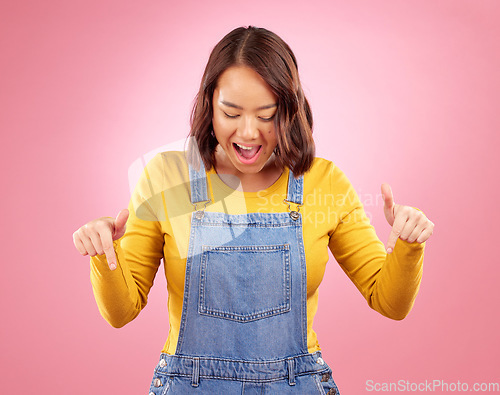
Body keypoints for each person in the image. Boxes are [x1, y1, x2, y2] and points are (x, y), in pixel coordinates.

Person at [73, 26, 434, 394]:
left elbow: (389, 302)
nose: (248, 134)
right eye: (231, 113)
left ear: (291, 112)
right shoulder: (167, 177)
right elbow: (121, 312)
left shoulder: (324, 182)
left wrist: (408, 244)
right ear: (209, 106)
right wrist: (104, 253)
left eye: (267, 116)